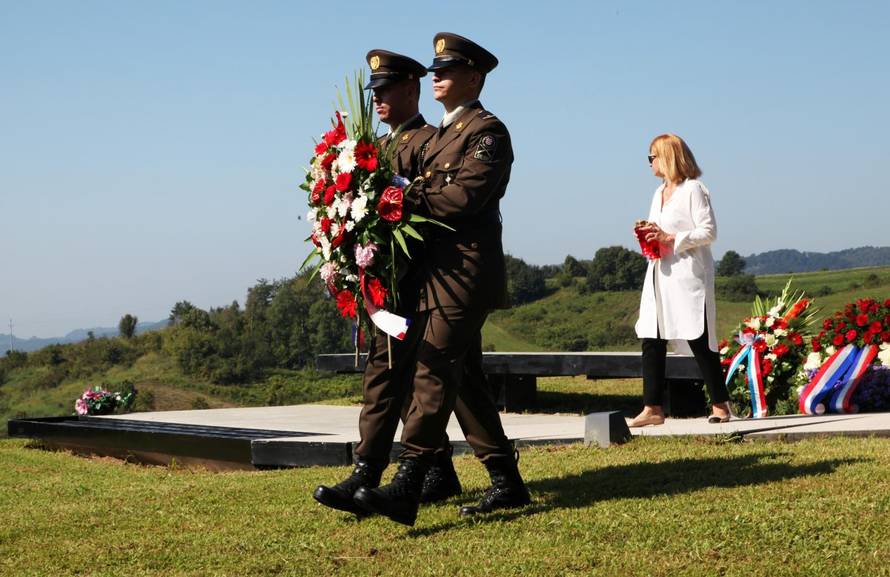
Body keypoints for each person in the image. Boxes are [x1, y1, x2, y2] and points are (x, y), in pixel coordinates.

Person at [353, 33, 531, 526]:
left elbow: (462, 197)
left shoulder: (487, 132)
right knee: (465, 380)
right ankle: (506, 480)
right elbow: (429, 188)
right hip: (432, 273)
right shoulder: (440, 135)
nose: (437, 77)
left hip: (464, 272)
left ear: (474, 77)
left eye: (447, 70)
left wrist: (398, 199)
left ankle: (408, 483)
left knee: (431, 371)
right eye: (434, 70)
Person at [312, 50, 463, 517]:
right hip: (387, 287)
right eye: (373, 93)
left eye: (385, 90)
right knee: (382, 379)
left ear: (411, 89)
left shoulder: (427, 141)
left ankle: (420, 473)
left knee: (418, 383)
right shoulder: (373, 146)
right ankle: (369, 472)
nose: (376, 99)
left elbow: (432, 213)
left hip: (420, 284)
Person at [630, 133, 732, 427]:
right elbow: (659, 231)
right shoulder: (657, 193)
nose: (649, 163)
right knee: (651, 336)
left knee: (698, 336)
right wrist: (648, 234)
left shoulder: (694, 190)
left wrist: (671, 237)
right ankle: (652, 408)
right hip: (659, 273)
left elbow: (709, 231)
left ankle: (720, 404)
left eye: (652, 157)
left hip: (687, 274)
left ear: (667, 157)